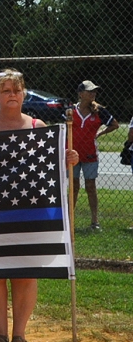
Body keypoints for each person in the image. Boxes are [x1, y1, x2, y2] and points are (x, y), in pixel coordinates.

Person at [0, 69, 79, 342]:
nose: (12, 94)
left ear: (24, 94)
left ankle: (19, 335)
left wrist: (69, 159)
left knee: (25, 274)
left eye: (16, 89)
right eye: (6, 90)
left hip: (30, 215)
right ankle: (0, 334)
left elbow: (53, 168)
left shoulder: (39, 126)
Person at [71, 80, 119, 230]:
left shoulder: (99, 111)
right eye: (89, 91)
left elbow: (115, 124)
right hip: (72, 154)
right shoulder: (70, 110)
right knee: (74, 187)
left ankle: (94, 221)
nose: (93, 94)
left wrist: (100, 133)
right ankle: (69, 220)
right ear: (80, 94)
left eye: (94, 91)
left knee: (90, 186)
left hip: (90, 154)